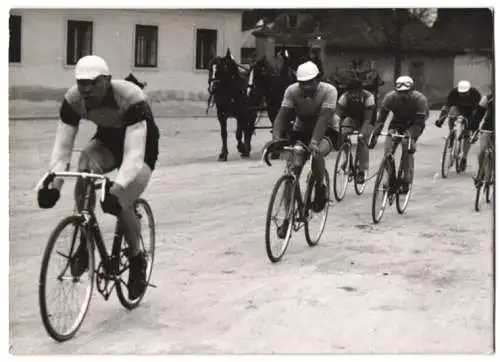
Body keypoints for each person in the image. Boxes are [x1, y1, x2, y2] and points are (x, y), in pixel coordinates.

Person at [37, 55, 160, 300]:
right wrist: (53, 184)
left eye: (92, 83)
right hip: (107, 142)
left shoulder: (130, 97)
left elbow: (134, 153)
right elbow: (63, 147)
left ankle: (136, 258)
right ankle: (84, 237)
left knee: (119, 201)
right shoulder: (73, 100)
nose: (86, 89)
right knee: (85, 165)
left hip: (142, 146)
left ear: (106, 80)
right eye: (81, 83)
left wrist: (119, 187)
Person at [265, 61, 339, 239]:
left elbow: (323, 119)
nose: (305, 87)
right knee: (292, 171)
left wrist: (314, 142)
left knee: (317, 153)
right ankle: (287, 218)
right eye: (301, 83)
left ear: (317, 80)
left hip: (327, 129)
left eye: (309, 82)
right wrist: (275, 139)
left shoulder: (329, 91)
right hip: (302, 129)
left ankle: (320, 187)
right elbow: (282, 117)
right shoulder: (292, 91)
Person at [370, 75, 429, 194]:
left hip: (415, 123)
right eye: (400, 92)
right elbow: (381, 119)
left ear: (411, 91)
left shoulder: (419, 99)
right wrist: (375, 134)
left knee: (406, 143)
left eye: (406, 92)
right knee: (388, 148)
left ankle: (406, 178)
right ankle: (390, 176)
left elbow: (420, 121)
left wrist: (411, 134)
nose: (403, 95)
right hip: (397, 123)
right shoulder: (390, 98)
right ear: (396, 91)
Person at [434, 80, 482, 171]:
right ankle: (452, 134)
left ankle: (464, 157)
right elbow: (447, 106)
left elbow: (478, 112)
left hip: (471, 110)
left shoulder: (475, 94)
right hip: (457, 108)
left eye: (465, 94)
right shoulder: (454, 92)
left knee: (467, 134)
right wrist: (441, 119)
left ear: (469, 91)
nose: (463, 95)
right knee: (452, 112)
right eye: (461, 93)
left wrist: (474, 127)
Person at [336, 75, 376, 183]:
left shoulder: (368, 97)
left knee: (362, 141)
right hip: (352, 118)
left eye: (355, 92)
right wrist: (336, 126)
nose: (353, 94)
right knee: (342, 132)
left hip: (367, 120)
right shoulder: (344, 96)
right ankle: (346, 159)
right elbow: (338, 115)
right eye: (351, 92)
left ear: (360, 91)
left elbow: (368, 119)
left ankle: (362, 171)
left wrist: (362, 133)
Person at [471, 91, 494, 188]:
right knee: (482, 152)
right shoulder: (488, 97)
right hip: (488, 128)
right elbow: (478, 114)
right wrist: (474, 128)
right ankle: (481, 173)